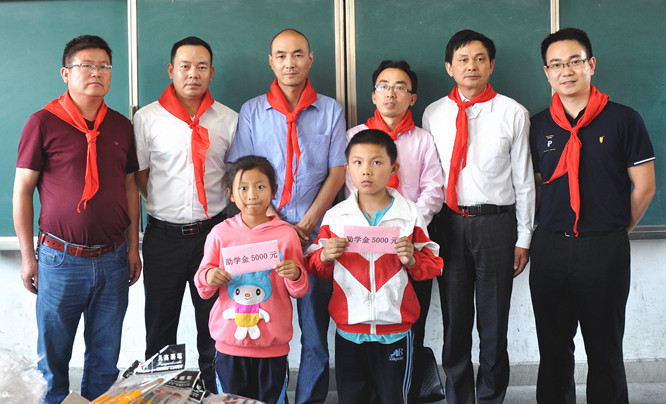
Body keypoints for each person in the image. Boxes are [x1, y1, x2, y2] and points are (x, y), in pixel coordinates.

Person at [529, 28, 655, 404]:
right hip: (550, 247)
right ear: (547, 73)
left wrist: (615, 231)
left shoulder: (624, 119)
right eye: (556, 64)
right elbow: (534, 187)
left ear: (591, 65)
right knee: (553, 349)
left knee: (604, 348)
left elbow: (645, 187)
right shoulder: (538, 125)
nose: (566, 71)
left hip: (604, 248)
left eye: (574, 61)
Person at [13, 34, 141, 403]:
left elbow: (129, 188)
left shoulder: (120, 126)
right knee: (52, 361)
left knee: (105, 359)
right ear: (66, 73)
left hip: (113, 258)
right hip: (60, 259)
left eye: (104, 66)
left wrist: (133, 247)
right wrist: (27, 257)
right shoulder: (43, 122)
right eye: (86, 65)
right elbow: (22, 192)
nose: (96, 73)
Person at [227, 28, 346, 403]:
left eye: (297, 54)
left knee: (315, 333)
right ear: (271, 61)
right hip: (264, 235)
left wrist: (307, 224)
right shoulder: (252, 111)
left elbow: (337, 172)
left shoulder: (331, 110)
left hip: (315, 236)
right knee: (264, 328)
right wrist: (278, 225)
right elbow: (243, 174)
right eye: (281, 55)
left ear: (310, 59)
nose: (289, 63)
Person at [422, 29, 535, 404]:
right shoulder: (433, 113)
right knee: (454, 321)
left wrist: (524, 238)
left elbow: (524, 181)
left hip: (496, 226)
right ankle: (459, 397)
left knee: (493, 320)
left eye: (479, 58)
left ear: (491, 65)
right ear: (449, 67)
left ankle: (490, 397)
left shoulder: (512, 112)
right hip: (449, 225)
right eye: (463, 59)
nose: (471, 66)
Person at [306, 129, 443, 404]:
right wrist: (324, 256)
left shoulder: (409, 214)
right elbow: (314, 267)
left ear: (394, 168)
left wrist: (413, 259)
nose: (366, 170)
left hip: (395, 330)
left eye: (376, 162)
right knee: (352, 398)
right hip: (349, 330)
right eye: (357, 162)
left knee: (395, 398)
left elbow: (433, 266)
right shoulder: (336, 217)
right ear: (347, 169)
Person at [133, 36, 238, 391]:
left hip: (213, 235)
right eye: (185, 66)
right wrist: (168, 205)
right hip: (163, 237)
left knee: (214, 324)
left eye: (201, 66)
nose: (193, 74)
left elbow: (233, 177)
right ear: (171, 70)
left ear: (211, 72)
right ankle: (161, 394)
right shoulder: (147, 118)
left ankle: (213, 393)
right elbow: (141, 176)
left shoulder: (228, 119)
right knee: (160, 325)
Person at [345, 59, 445, 401]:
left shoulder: (423, 140)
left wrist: (407, 227)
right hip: (363, 250)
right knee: (366, 322)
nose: (391, 93)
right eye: (384, 86)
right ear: (373, 95)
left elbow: (433, 190)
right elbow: (350, 192)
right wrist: (375, 229)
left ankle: (405, 392)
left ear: (412, 98)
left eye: (400, 87)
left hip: (411, 247)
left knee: (410, 324)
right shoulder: (354, 137)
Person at [195, 155, 310, 404]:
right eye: (243, 188)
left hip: (272, 346)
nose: (252, 195)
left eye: (260, 186)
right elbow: (203, 287)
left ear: (273, 191)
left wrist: (296, 274)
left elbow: (299, 289)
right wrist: (210, 276)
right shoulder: (220, 233)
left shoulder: (286, 235)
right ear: (230, 194)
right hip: (229, 345)